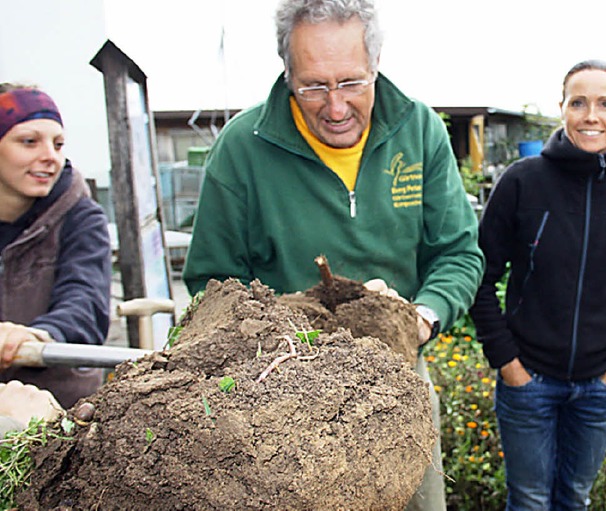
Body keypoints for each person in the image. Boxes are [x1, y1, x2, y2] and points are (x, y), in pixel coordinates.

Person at [183, 1, 483, 508]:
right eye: (314, 86)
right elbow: (209, 284)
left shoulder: (420, 131)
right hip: (282, 396)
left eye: (351, 83)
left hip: (398, 381)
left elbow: (457, 253)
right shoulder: (241, 149)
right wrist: (283, 331)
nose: (336, 107)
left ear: (376, 63)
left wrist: (418, 319)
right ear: (287, 73)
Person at [470, 60, 606, 510]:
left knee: (575, 500)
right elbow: (479, 278)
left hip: (599, 386)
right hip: (529, 382)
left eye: (605, 103)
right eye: (578, 102)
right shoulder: (523, 181)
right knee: (528, 500)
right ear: (561, 107)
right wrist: (508, 363)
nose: (591, 115)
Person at [0, 84, 112, 409]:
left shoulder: (80, 216)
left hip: (57, 409)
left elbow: (85, 299)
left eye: (58, 143)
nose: (50, 155)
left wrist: (38, 336)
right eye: (29, 141)